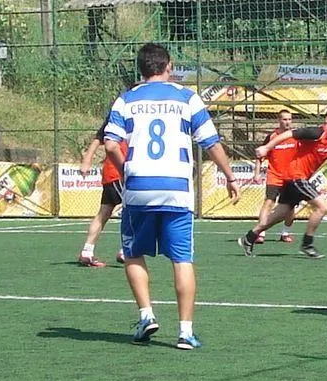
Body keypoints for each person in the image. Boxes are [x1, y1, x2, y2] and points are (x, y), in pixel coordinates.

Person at [103, 42, 240, 349]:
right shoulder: (187, 98)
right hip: (176, 188)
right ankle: (185, 332)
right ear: (169, 67)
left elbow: (110, 144)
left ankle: (146, 315)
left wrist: (127, 171)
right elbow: (210, 142)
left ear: (141, 69)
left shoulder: (126, 99)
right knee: (182, 259)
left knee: (132, 253)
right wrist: (230, 176)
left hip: (139, 188)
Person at [241, 106, 327, 260]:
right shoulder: (316, 133)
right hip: (295, 177)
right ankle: (307, 244)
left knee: (278, 216)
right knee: (322, 206)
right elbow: (289, 133)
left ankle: (249, 237)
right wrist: (267, 147)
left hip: (296, 180)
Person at [76, 128, 125, 267]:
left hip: (113, 173)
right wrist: (87, 160)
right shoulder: (120, 117)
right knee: (134, 211)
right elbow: (99, 138)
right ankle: (126, 250)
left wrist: (87, 160)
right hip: (119, 173)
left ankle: (87, 251)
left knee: (104, 213)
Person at [251, 109, 299, 246]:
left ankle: (285, 233)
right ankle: (260, 233)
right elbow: (260, 156)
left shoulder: (296, 136)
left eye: (289, 119)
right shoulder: (271, 137)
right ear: (279, 121)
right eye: (284, 119)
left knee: (290, 207)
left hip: (291, 177)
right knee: (268, 203)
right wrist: (257, 174)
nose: (287, 122)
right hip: (274, 176)